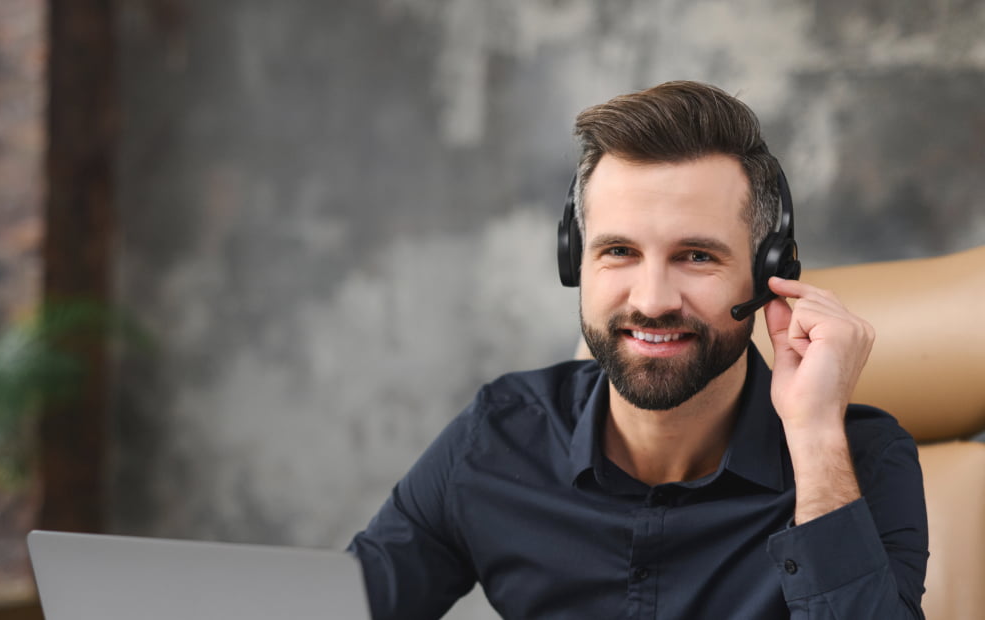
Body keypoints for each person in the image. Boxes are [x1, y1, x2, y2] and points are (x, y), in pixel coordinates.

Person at [347, 81, 928, 619]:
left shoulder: (862, 459)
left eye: (697, 256)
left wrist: (816, 442)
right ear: (575, 259)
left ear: (768, 271)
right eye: (619, 251)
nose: (652, 301)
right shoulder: (497, 438)